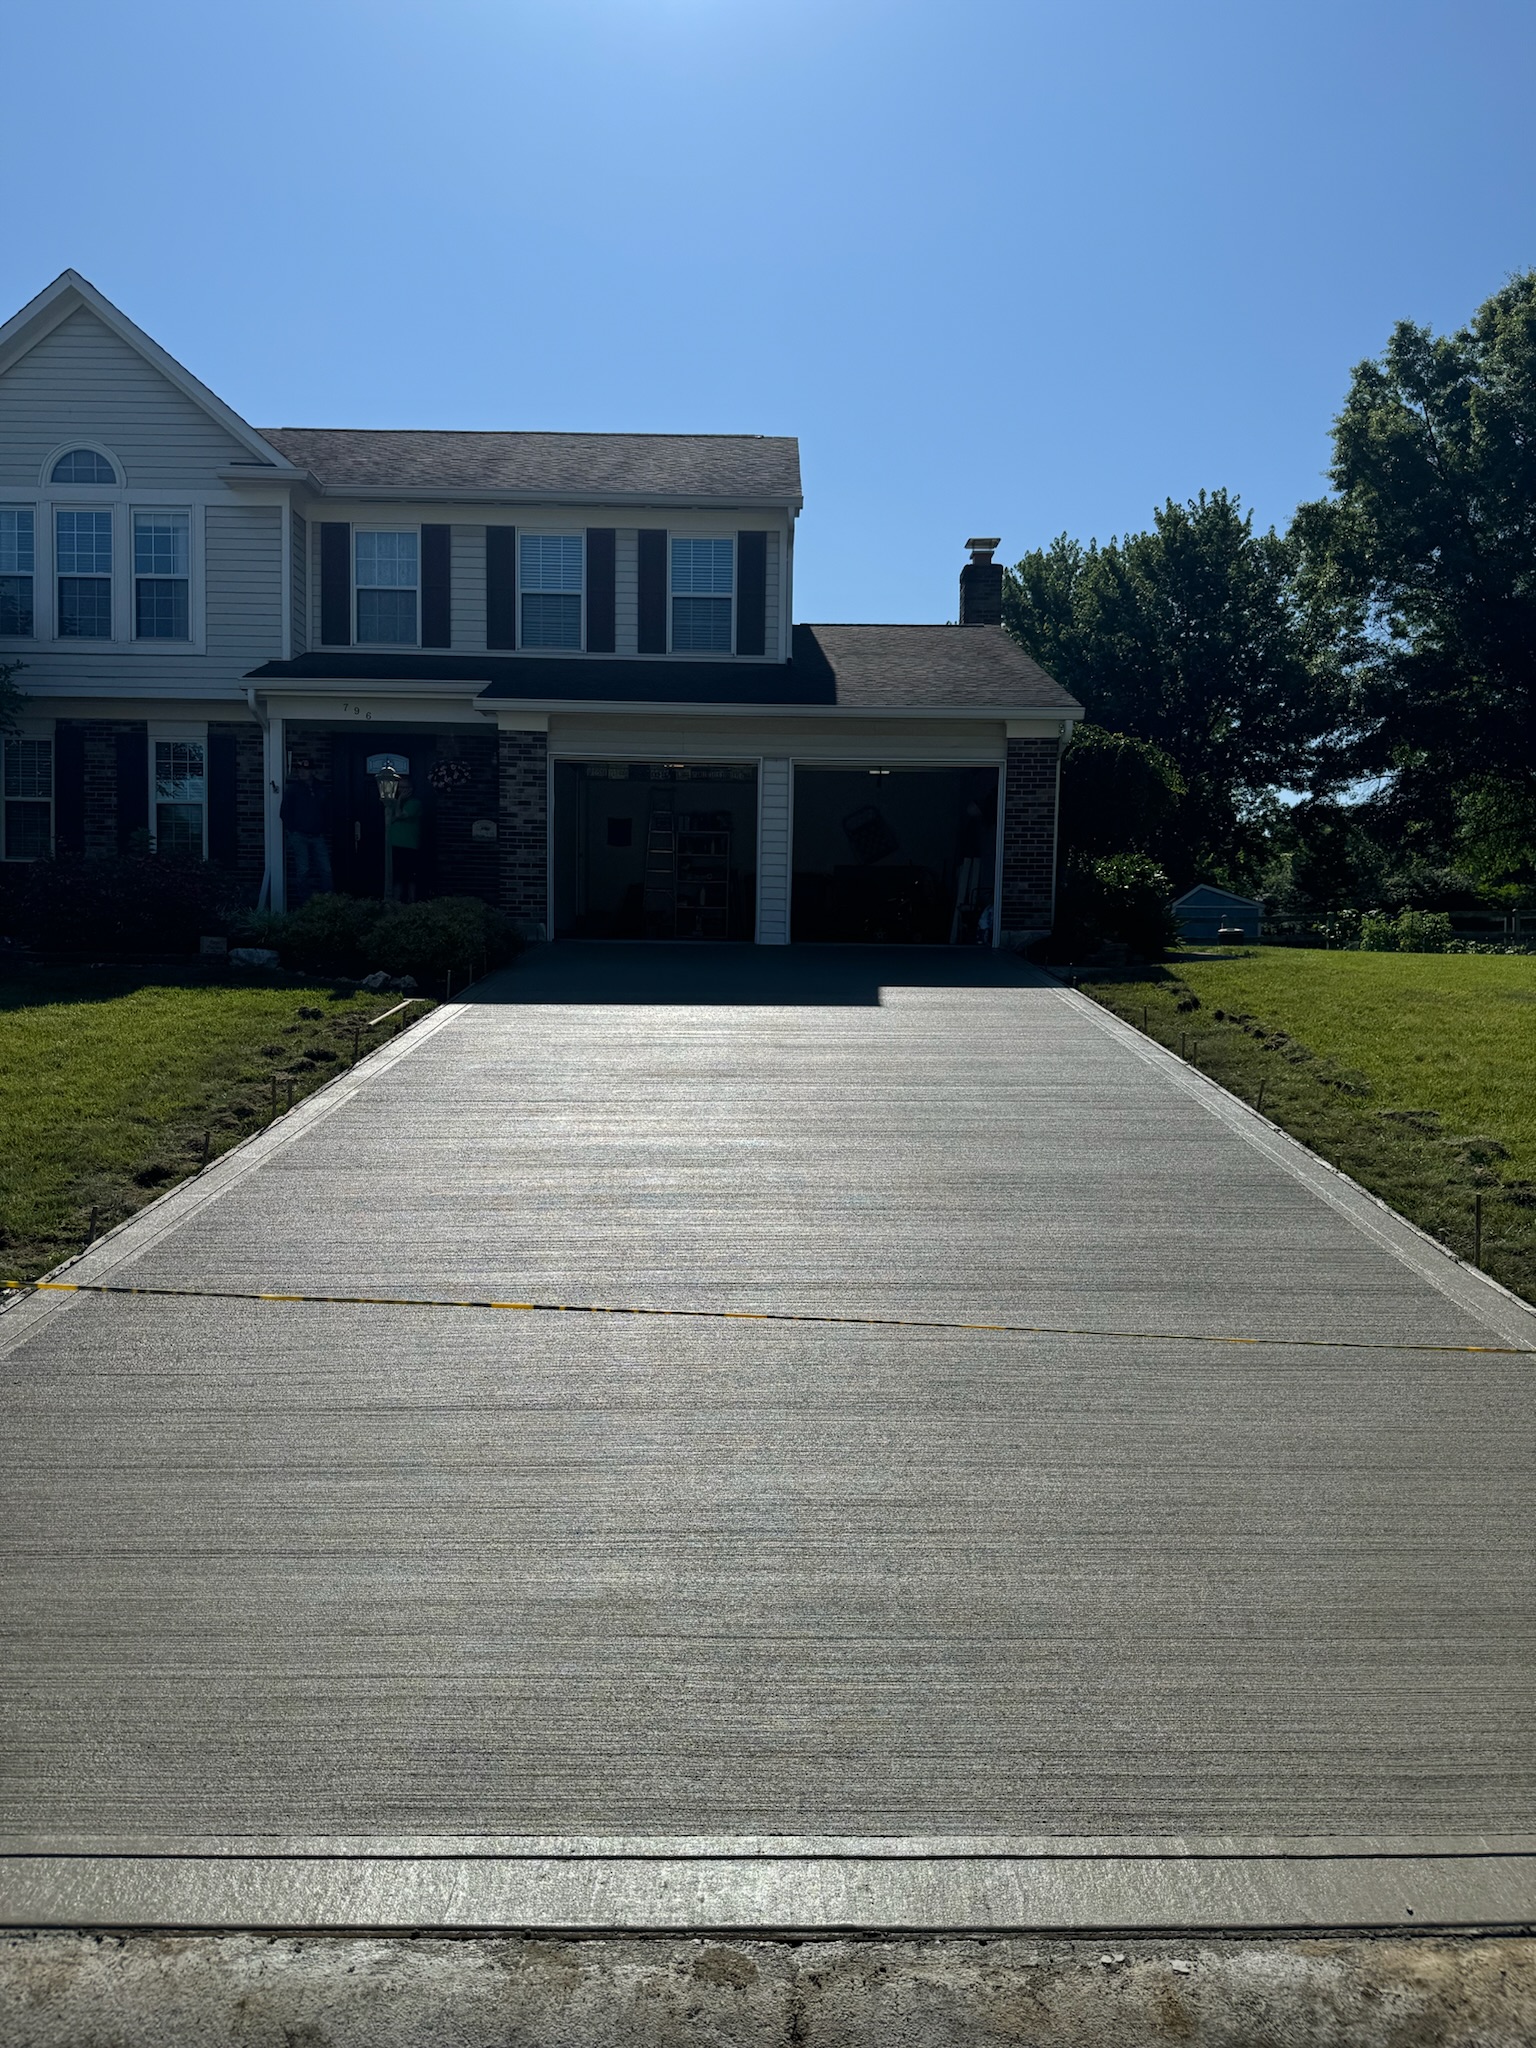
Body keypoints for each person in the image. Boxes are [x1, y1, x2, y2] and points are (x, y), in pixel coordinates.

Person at [280, 757, 332, 904]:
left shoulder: (321, 789)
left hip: (318, 835)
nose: (302, 772)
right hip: (299, 835)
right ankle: (305, 903)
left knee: (326, 870)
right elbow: (284, 812)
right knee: (303, 870)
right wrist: (293, 830)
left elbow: (328, 810)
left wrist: (324, 827)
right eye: (300, 770)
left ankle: (329, 902)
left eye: (305, 770)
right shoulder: (293, 790)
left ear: (312, 771)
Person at [387, 776, 424, 900]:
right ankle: (396, 901)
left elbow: (399, 815)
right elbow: (389, 820)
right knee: (397, 876)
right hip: (395, 843)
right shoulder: (392, 803)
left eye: (405, 788)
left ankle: (411, 901)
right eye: (400, 787)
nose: (402, 790)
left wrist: (399, 801)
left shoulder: (415, 803)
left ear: (411, 789)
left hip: (410, 844)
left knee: (410, 876)